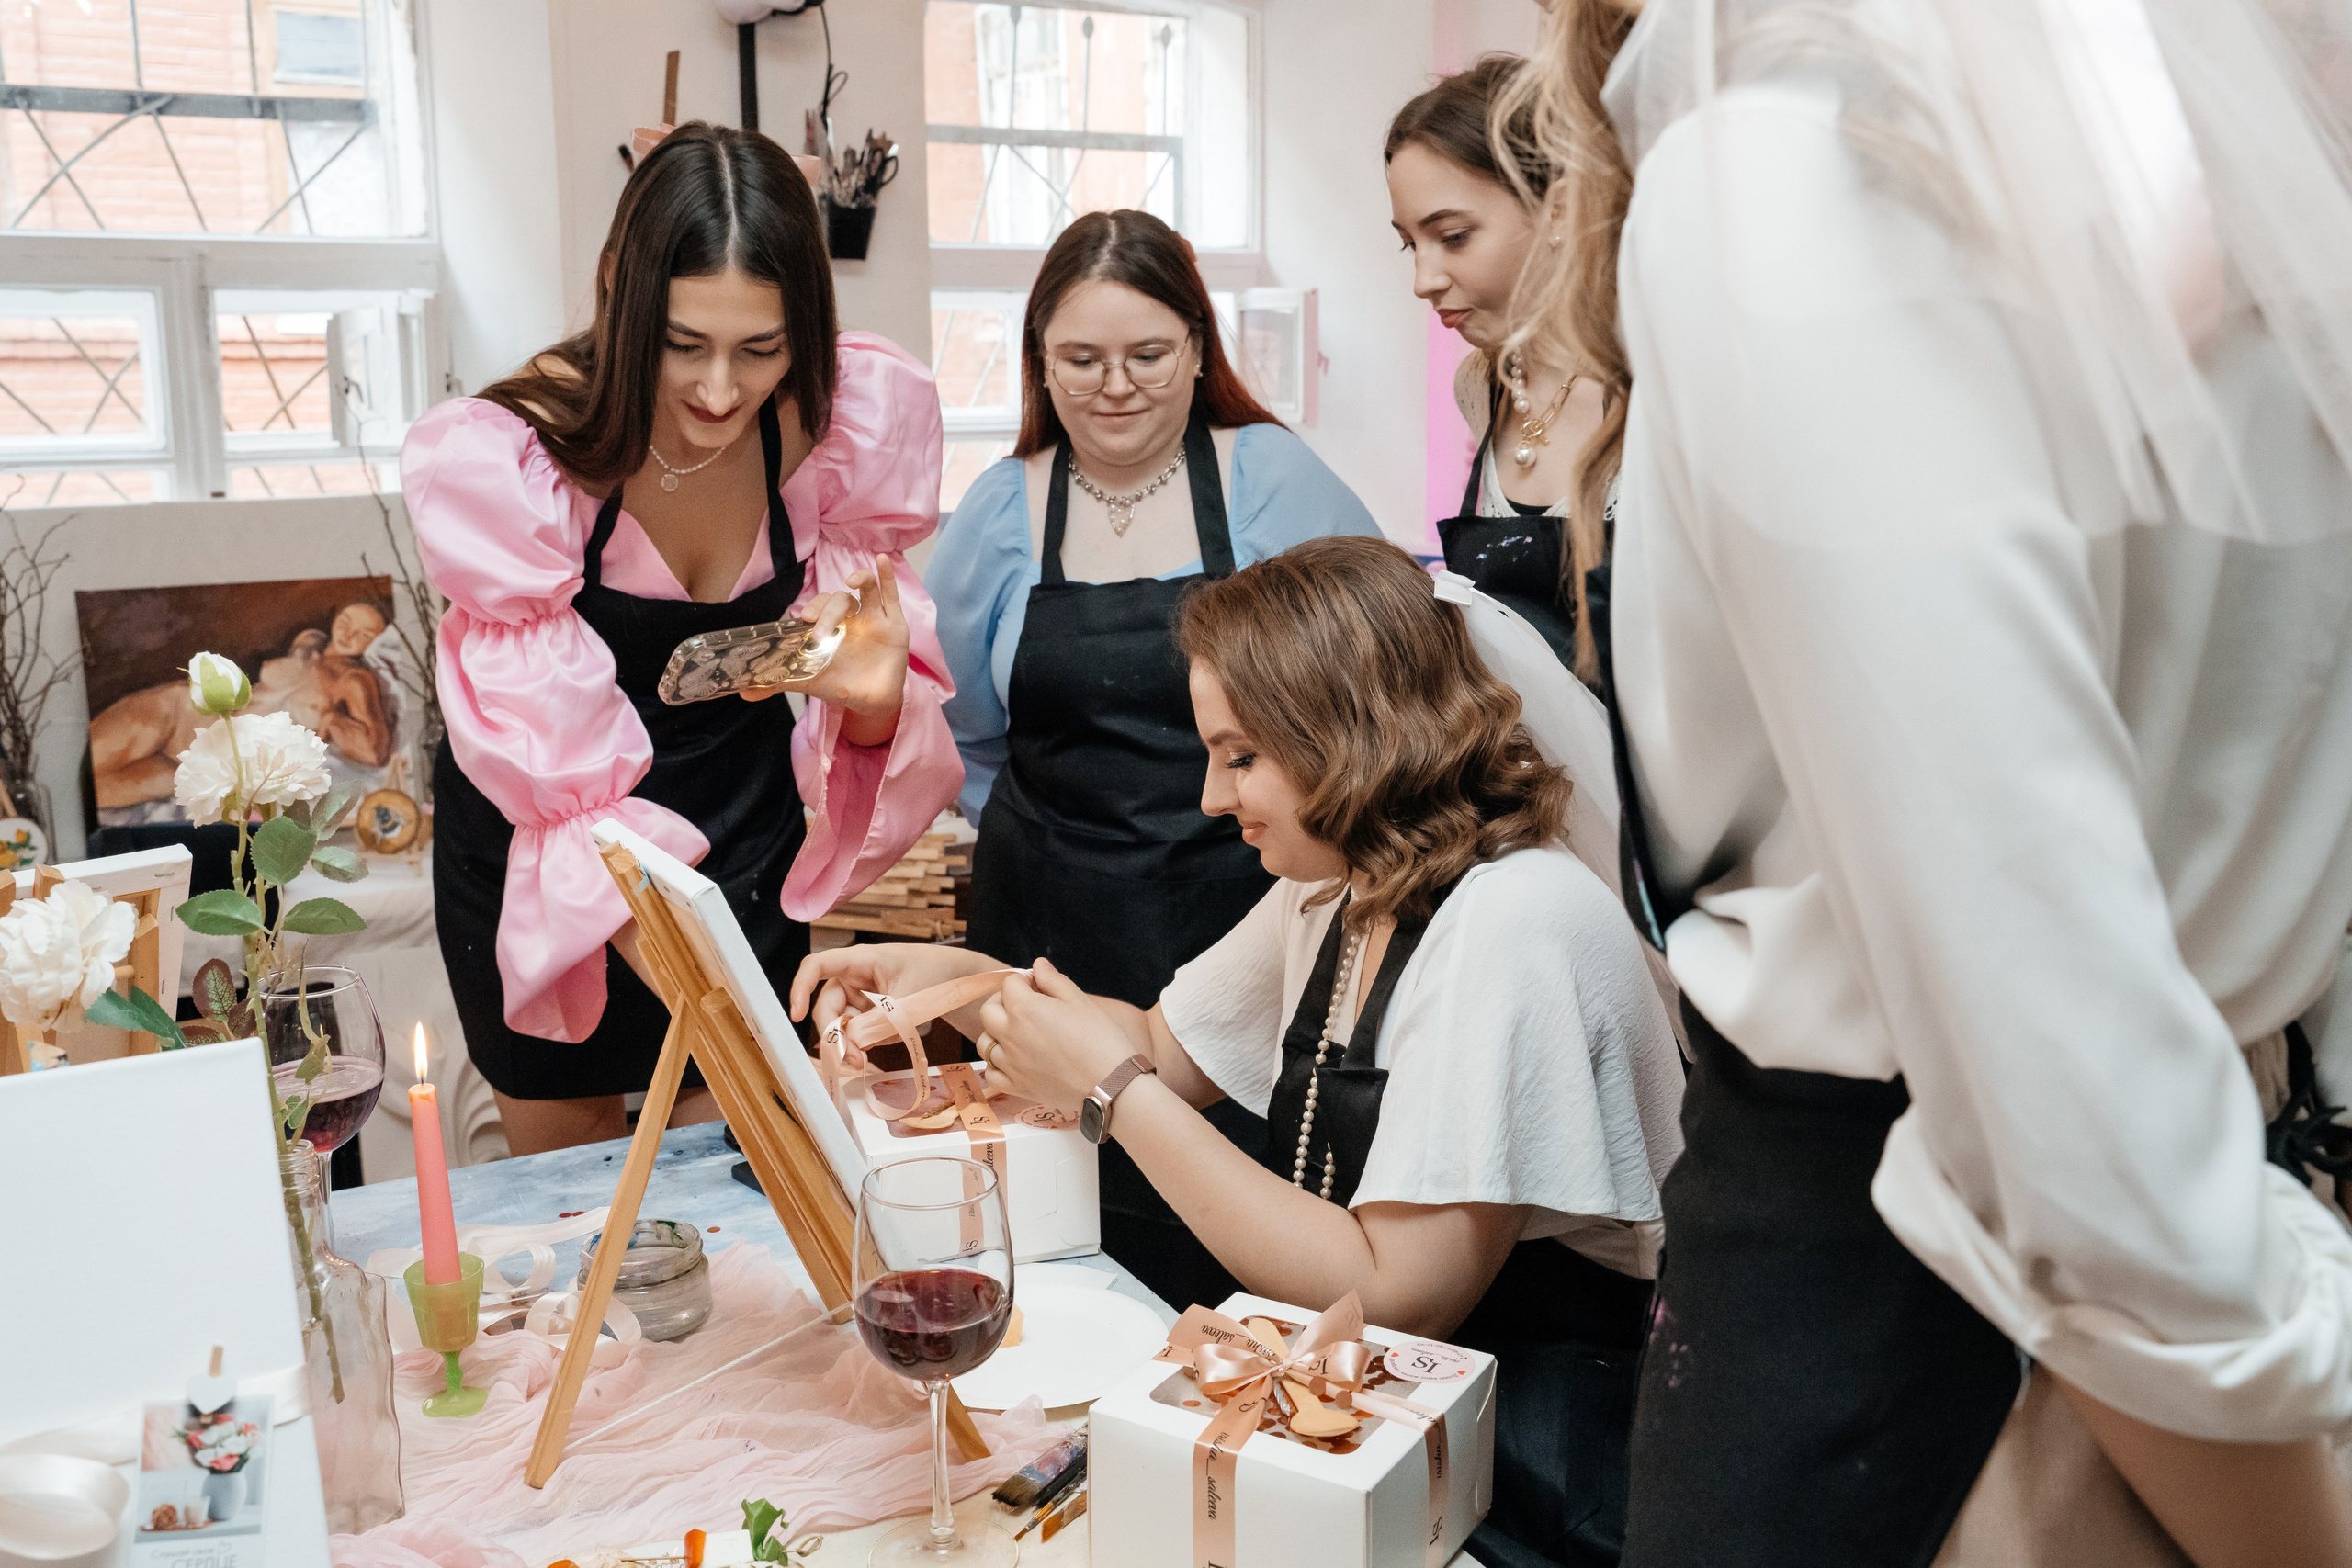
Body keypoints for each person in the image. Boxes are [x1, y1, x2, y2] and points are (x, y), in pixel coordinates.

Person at [1509, 3, 2352, 1563]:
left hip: (1963, 1363)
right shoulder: (2242, 174)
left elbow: (2063, 1066)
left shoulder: (1793, 178)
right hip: (2212, 1272)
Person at [799, 537, 1684, 1568]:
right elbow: (1162, 1045)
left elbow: (1397, 1294)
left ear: (1351, 736)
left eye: (1242, 757)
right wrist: (962, 981)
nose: (1212, 799)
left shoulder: (1512, 924)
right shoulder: (1346, 881)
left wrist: (1112, 1094)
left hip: (1531, 1470)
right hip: (1376, 1429)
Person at [401, 122, 960, 1156]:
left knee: (735, 1182)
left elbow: (871, 700)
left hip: (740, 840)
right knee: (575, 1196)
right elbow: (544, 761)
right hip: (548, 849)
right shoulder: (524, 456)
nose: (719, 390)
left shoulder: (831, 433)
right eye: (682, 342)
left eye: (761, 348)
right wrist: (679, 954)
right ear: (619, 286)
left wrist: (872, 698)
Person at [929, 209, 1383, 1310]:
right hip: (1044, 922)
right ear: (1039, 361)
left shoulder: (1271, 478)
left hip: (1236, 914)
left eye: (1147, 355)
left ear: (1198, 346)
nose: (1116, 386)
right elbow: (968, 732)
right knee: (1049, 1234)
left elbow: (1377, 689)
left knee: (1223, 1240)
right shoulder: (999, 510)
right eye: (1082, 359)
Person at [1386, 56, 1613, 677]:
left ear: (1558, 211)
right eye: (1410, 243)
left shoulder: (1654, 391)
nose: (1423, 280)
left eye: (1454, 236)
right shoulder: (1482, 383)